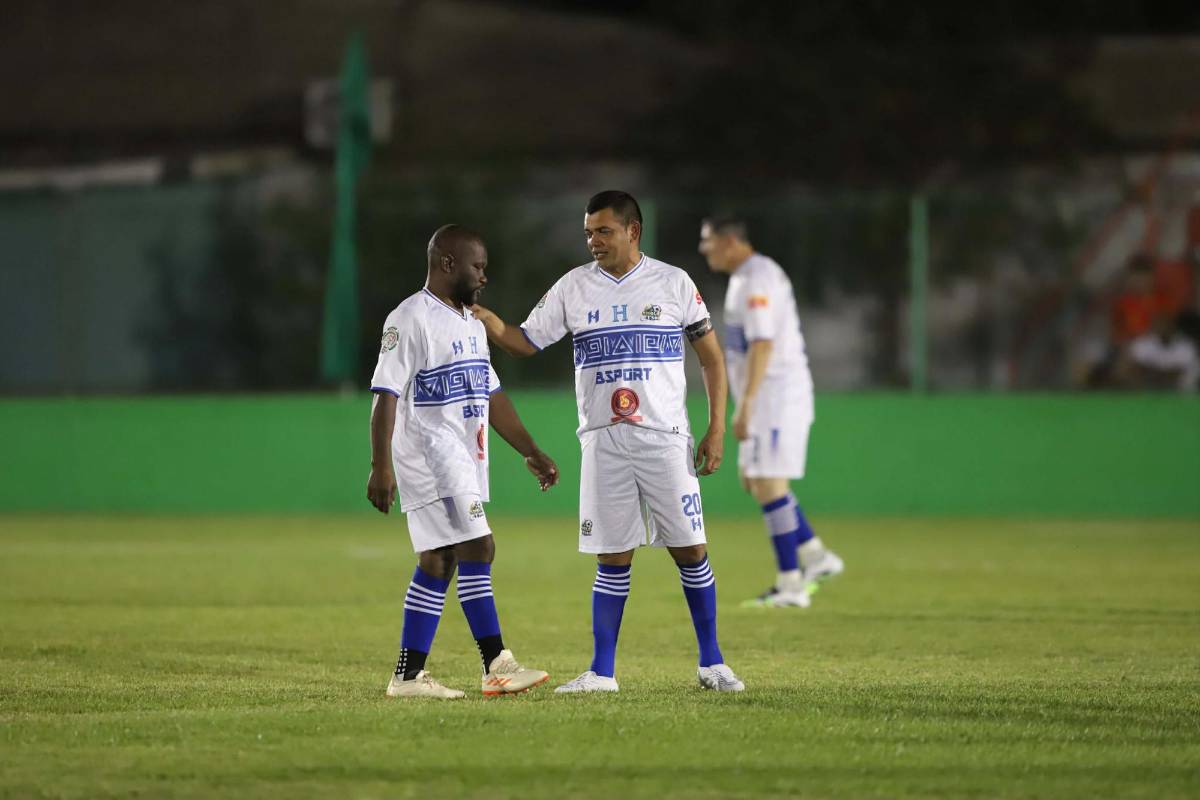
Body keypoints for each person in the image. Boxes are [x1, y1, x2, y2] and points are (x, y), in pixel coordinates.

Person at [472, 190, 744, 693]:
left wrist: (716, 428)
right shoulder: (574, 287)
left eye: (604, 231)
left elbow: (711, 357)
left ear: (632, 231)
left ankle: (713, 663)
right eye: (588, 233)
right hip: (603, 441)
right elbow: (525, 341)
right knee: (612, 557)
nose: (593, 241)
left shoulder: (674, 283)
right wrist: (490, 322)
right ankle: (602, 672)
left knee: (690, 549)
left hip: (665, 438)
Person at [367, 224, 559, 699]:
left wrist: (531, 450)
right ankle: (497, 664)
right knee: (479, 546)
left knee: (440, 559)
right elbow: (385, 394)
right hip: (431, 456)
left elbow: (492, 394)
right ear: (448, 263)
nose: (484, 277)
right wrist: (380, 465)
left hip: (464, 457)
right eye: (478, 266)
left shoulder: (471, 322)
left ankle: (408, 676)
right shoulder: (409, 318)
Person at [698, 216, 843, 608]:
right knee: (756, 482)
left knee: (769, 484)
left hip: (776, 397)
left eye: (709, 240)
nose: (703, 248)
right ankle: (816, 556)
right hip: (766, 397)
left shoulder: (757, 279)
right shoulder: (747, 277)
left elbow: (763, 344)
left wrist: (746, 405)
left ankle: (791, 584)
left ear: (730, 241)